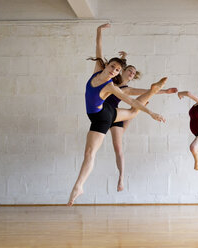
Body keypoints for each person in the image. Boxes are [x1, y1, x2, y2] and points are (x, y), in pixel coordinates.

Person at [67, 23, 167, 206]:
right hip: (98, 115)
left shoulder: (110, 86)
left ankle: (152, 91)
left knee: (131, 112)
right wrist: (98, 31)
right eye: (113, 67)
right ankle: (78, 186)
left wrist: (151, 113)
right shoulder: (98, 70)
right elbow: (99, 49)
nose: (114, 71)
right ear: (107, 65)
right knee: (89, 152)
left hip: (103, 116)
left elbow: (132, 101)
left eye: (117, 71)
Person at [105, 51, 178, 192]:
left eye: (134, 73)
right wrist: (123, 58)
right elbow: (115, 67)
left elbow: (148, 91)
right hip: (106, 113)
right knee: (134, 111)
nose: (132, 73)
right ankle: (137, 111)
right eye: (129, 71)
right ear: (123, 71)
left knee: (118, 147)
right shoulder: (112, 80)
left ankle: (121, 177)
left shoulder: (127, 89)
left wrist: (166, 91)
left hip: (116, 116)